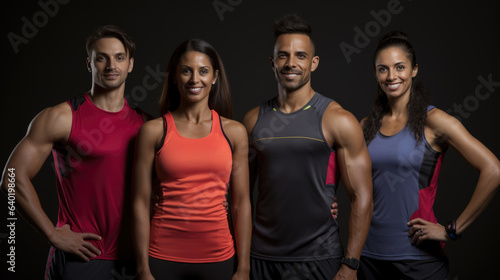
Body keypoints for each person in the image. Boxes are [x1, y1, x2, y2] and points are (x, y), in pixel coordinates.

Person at [333, 30, 500, 279]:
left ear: (414, 69)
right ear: (376, 73)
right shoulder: (364, 126)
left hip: (418, 261)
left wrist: (451, 230)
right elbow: (343, 179)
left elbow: (494, 170)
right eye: (383, 69)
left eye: (400, 67)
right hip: (367, 259)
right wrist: (326, 201)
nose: (391, 76)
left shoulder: (435, 122)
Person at [0, 25, 148, 279]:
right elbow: (11, 177)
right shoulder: (62, 117)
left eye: (119, 57)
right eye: (101, 58)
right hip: (82, 258)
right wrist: (52, 233)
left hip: (135, 260)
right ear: (89, 64)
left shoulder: (146, 123)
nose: (111, 65)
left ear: (130, 64)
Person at [242, 14, 373, 280]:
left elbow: (362, 195)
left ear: (314, 63)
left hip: (319, 259)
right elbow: (240, 196)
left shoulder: (338, 120)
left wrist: (351, 263)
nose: (291, 63)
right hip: (262, 259)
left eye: (301, 56)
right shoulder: (253, 120)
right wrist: (243, 263)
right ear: (272, 62)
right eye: (283, 55)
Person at [132, 38, 252, 280]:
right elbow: (140, 203)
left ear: (215, 77)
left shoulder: (234, 132)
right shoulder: (153, 131)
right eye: (186, 71)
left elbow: (241, 204)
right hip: (162, 256)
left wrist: (244, 268)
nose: (195, 79)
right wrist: (143, 269)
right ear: (175, 77)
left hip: (219, 258)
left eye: (203, 71)